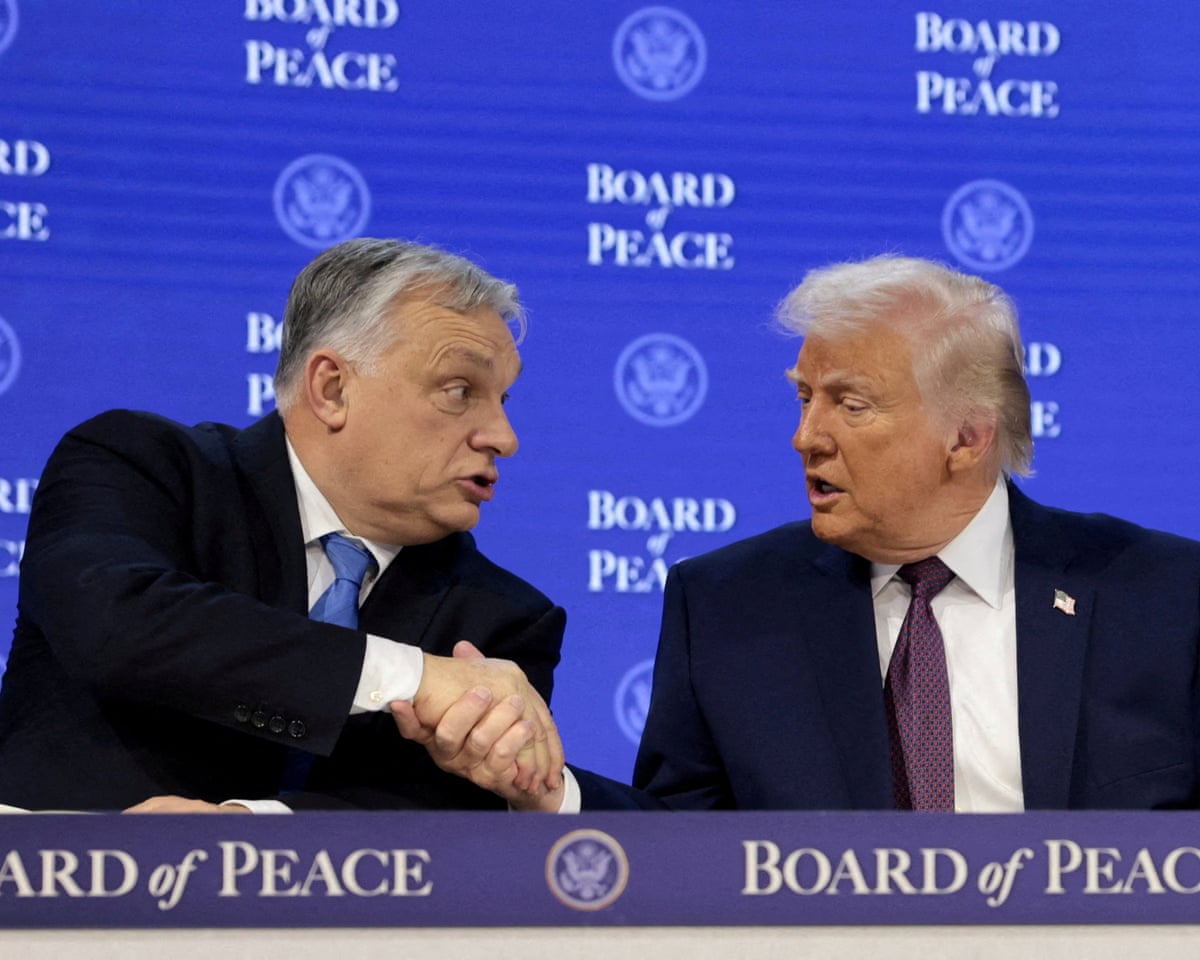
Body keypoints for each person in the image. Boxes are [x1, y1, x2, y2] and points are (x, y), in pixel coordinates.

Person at [405, 254, 1200, 812]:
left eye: (851, 405)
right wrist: (547, 791)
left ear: (967, 438)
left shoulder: (1160, 596)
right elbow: (681, 849)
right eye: (803, 398)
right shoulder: (727, 604)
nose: (807, 437)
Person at [0, 237, 566, 812]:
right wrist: (413, 677)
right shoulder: (141, 465)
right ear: (333, 389)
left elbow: (437, 815)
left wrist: (251, 835)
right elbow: (117, 622)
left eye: (503, 399)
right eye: (459, 391)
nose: (503, 437)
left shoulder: (500, 624)